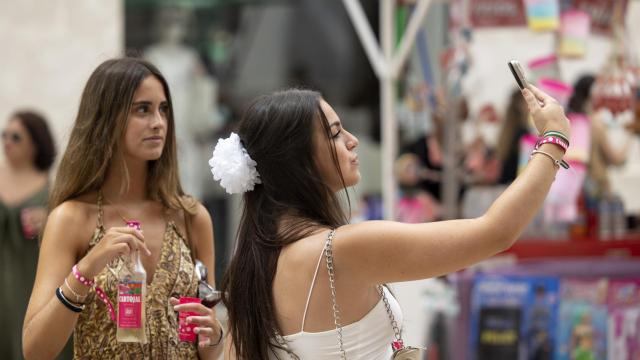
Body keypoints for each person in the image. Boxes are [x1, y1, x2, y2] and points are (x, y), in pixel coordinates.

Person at [210, 85, 570, 359]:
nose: (352, 141)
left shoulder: (251, 264)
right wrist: (554, 139)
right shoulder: (342, 249)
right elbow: (495, 232)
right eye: (335, 133)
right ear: (297, 159)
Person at [22, 57, 223, 359]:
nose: (158, 122)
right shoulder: (72, 218)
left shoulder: (192, 217)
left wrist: (216, 334)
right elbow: (35, 350)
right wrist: (88, 267)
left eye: (163, 109)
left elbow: (206, 350)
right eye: (142, 109)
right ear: (107, 117)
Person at [0, 111, 56, 359]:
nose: (7, 142)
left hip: (30, 281)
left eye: (16, 137)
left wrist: (50, 222)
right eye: (4, 135)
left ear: (35, 143)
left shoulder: (53, 187)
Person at [496, 89, 531, 184]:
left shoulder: (510, 131)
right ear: (520, 104)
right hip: (514, 185)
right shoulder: (522, 133)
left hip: (506, 184)